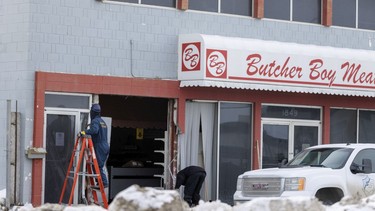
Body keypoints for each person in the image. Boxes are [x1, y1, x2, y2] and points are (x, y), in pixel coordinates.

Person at [84, 103, 110, 188]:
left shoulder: (95, 121)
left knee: (98, 165)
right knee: (98, 165)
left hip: (99, 146)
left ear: (93, 112)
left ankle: (104, 183)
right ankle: (99, 182)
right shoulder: (102, 121)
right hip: (105, 146)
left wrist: (84, 132)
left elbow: (94, 131)